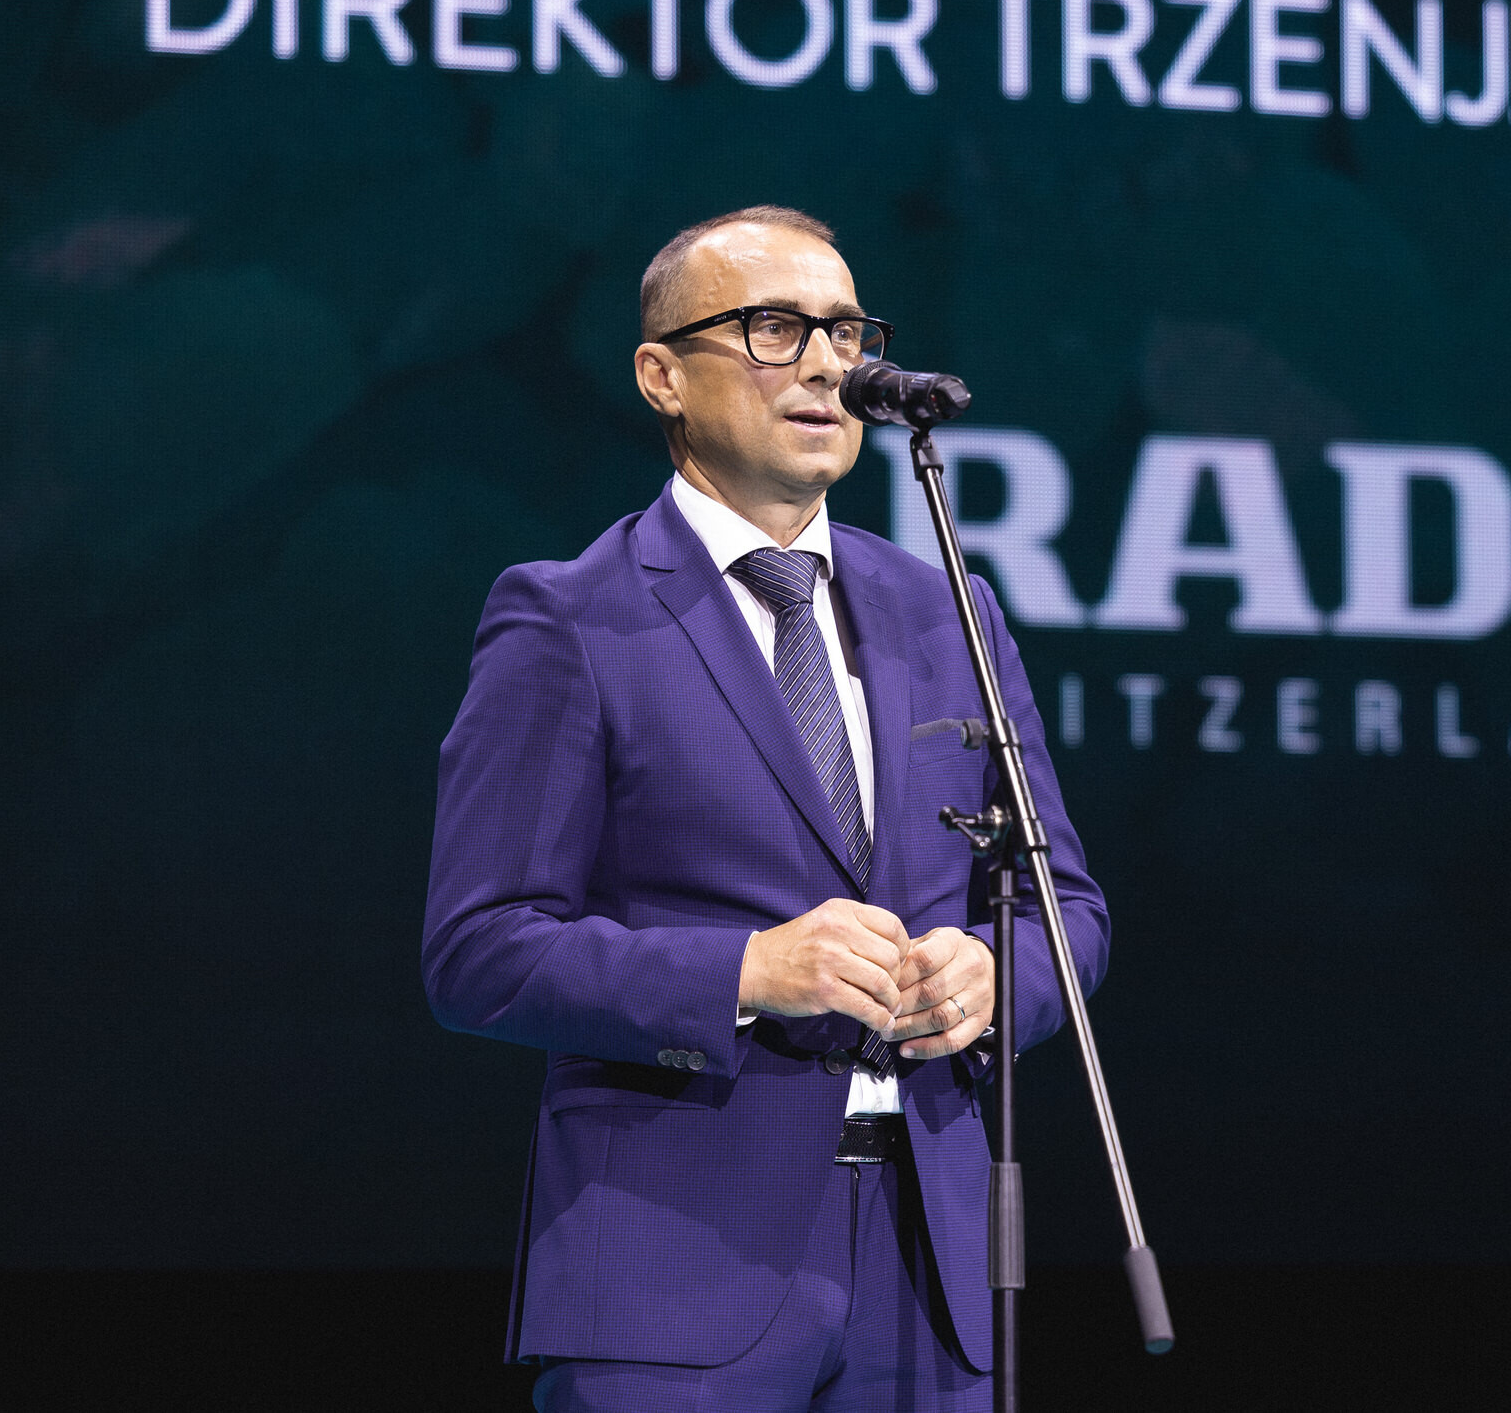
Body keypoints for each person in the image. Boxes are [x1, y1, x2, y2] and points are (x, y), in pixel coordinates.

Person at [422, 205, 1106, 1411]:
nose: (828, 364)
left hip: (933, 1265)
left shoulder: (948, 606)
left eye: (844, 330)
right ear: (662, 375)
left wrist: (997, 976)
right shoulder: (569, 616)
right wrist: (748, 970)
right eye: (775, 327)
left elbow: (1069, 908)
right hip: (677, 1262)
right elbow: (481, 950)